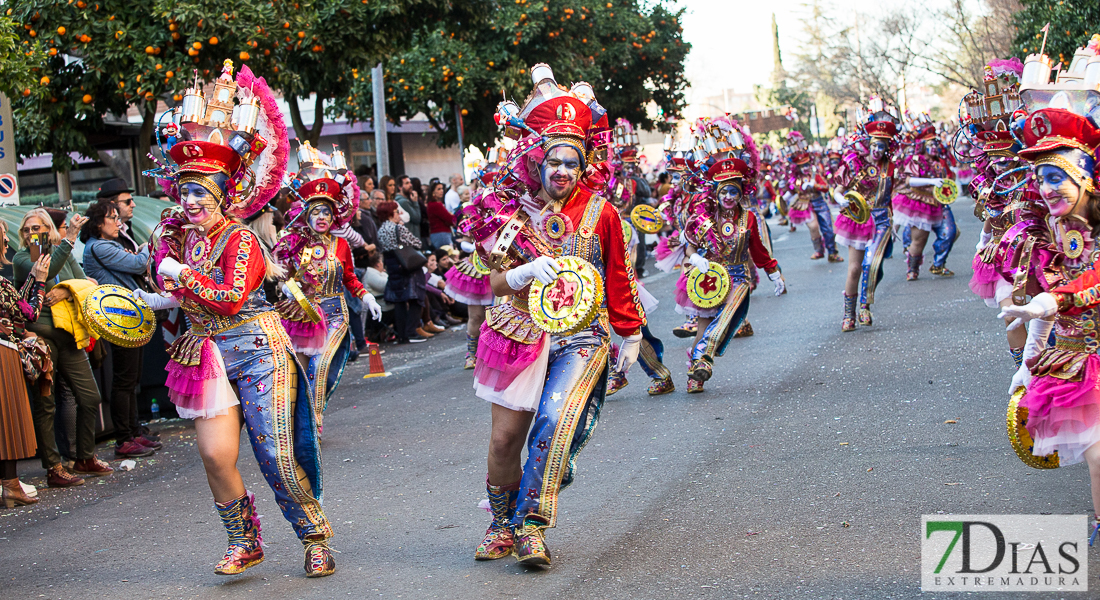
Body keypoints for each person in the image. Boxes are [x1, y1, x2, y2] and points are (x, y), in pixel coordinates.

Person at [137, 59, 336, 577]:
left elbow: (228, 298)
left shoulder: (241, 238)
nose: (192, 200)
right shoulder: (182, 239)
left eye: (202, 190)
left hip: (256, 350)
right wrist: (156, 298)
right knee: (215, 456)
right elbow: (182, 296)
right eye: (186, 191)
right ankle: (244, 540)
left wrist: (179, 276)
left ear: (225, 192)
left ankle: (314, 535)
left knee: (275, 458)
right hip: (206, 354)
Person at [461, 65, 646, 566]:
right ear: (537, 162)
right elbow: (494, 282)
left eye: (572, 162)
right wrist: (523, 275)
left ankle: (533, 528)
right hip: (519, 332)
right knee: (504, 441)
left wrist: (629, 335)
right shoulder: (510, 213)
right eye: (554, 161)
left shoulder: (601, 212)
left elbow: (618, 276)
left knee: (552, 419)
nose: (562, 171)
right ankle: (501, 524)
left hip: (581, 336)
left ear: (583, 164)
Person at [998, 100, 1100, 536]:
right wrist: (1028, 363)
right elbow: (1043, 307)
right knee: (1097, 452)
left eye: (1055, 177)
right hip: (1081, 361)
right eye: (1040, 179)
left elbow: (1089, 281)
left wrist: (1051, 301)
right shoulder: (1050, 234)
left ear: (1084, 177)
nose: (1046, 188)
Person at [274, 154, 381, 433]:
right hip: (301, 315)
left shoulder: (341, 245)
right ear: (306, 214)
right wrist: (285, 286)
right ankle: (303, 423)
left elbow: (348, 277)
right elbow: (279, 274)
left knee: (321, 372)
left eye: (326, 212)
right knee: (300, 372)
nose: (321, 217)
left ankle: (314, 418)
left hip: (334, 316)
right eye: (316, 212)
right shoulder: (292, 242)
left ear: (334, 217)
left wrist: (365, 296)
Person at [681, 117, 786, 393]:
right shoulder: (705, 216)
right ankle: (695, 372)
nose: (728, 196)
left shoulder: (749, 218)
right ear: (715, 193)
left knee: (726, 317)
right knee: (704, 324)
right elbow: (689, 245)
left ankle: (703, 358)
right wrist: (696, 259)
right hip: (710, 274)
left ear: (741, 193)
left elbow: (759, 251)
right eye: (724, 191)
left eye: (734, 191)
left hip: (738, 276)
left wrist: (774, 272)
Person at [15, 208, 112, 486]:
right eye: (27, 230)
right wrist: (68, 238)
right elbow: (45, 267)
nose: (33, 234)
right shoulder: (24, 258)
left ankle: (84, 457)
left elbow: (89, 283)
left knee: (90, 397)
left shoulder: (64, 252)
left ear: (49, 229)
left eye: (38, 228)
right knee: (46, 404)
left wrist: (66, 289)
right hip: (40, 338)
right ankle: (54, 467)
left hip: (68, 334)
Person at [80, 200, 158, 458]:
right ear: (98, 223)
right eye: (112, 218)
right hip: (119, 319)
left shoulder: (106, 244)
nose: (118, 223)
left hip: (128, 317)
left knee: (131, 379)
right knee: (124, 380)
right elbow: (137, 264)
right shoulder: (99, 246)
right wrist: (150, 244)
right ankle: (124, 438)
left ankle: (134, 432)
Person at [828, 99, 899, 331]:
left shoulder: (890, 167)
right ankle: (848, 314)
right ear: (868, 143)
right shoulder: (853, 163)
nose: (878, 151)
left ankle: (864, 305)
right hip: (858, 219)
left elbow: (894, 194)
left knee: (873, 264)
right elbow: (836, 190)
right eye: (874, 145)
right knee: (855, 268)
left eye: (882, 146)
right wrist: (845, 201)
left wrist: (894, 219)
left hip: (881, 219)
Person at [0, 252, 52, 507]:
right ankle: (10, 486)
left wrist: (31, 278)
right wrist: (39, 281)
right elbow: (28, 312)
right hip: (2, 354)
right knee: (8, 421)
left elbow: (15, 303)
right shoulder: (1, 284)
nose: (7, 243)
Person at [893, 113, 953, 280]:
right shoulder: (916, 159)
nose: (934, 145)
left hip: (939, 203)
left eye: (935, 142)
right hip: (919, 203)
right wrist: (931, 181)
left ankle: (939, 264)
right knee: (919, 240)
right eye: (930, 143)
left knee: (951, 232)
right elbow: (909, 180)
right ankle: (912, 269)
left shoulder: (939, 162)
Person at [376, 200, 427, 343]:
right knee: (416, 297)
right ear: (392, 213)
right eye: (397, 212)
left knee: (399, 301)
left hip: (392, 266)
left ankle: (402, 334)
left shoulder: (380, 230)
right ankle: (411, 331)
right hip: (407, 265)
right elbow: (417, 243)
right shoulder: (398, 228)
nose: (399, 214)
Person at [97, 178, 139, 252]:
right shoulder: (109, 234)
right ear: (112, 204)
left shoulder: (126, 227)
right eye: (128, 201)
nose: (133, 205)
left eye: (132, 200)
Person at [425, 181, 455, 250]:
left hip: (439, 234)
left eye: (442, 189)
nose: (441, 191)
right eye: (438, 189)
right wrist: (452, 215)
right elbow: (451, 220)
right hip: (441, 235)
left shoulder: (433, 204)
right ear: (433, 192)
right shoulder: (436, 205)